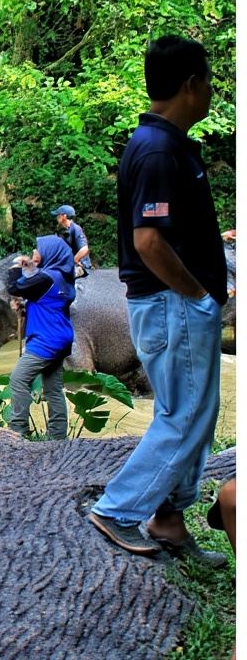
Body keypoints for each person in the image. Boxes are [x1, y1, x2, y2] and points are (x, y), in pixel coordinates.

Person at [88, 36, 227, 568]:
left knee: (197, 415)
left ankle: (168, 521)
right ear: (191, 84)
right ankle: (118, 509)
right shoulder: (157, 151)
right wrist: (195, 295)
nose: (212, 92)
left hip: (179, 304)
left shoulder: (166, 145)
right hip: (173, 305)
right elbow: (148, 240)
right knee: (183, 416)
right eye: (210, 81)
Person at [5, 236, 76, 440]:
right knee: (53, 389)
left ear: (50, 253)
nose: (34, 252)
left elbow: (15, 287)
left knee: (18, 378)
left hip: (47, 340)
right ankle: (58, 438)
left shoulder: (45, 279)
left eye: (38, 249)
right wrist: (28, 306)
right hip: (62, 337)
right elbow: (46, 301)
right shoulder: (62, 276)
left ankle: (17, 432)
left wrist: (16, 266)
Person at [52, 205, 92, 278]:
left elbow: (85, 249)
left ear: (64, 216)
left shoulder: (75, 229)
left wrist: (75, 260)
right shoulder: (63, 229)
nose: (57, 217)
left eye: (58, 215)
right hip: (69, 265)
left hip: (80, 267)